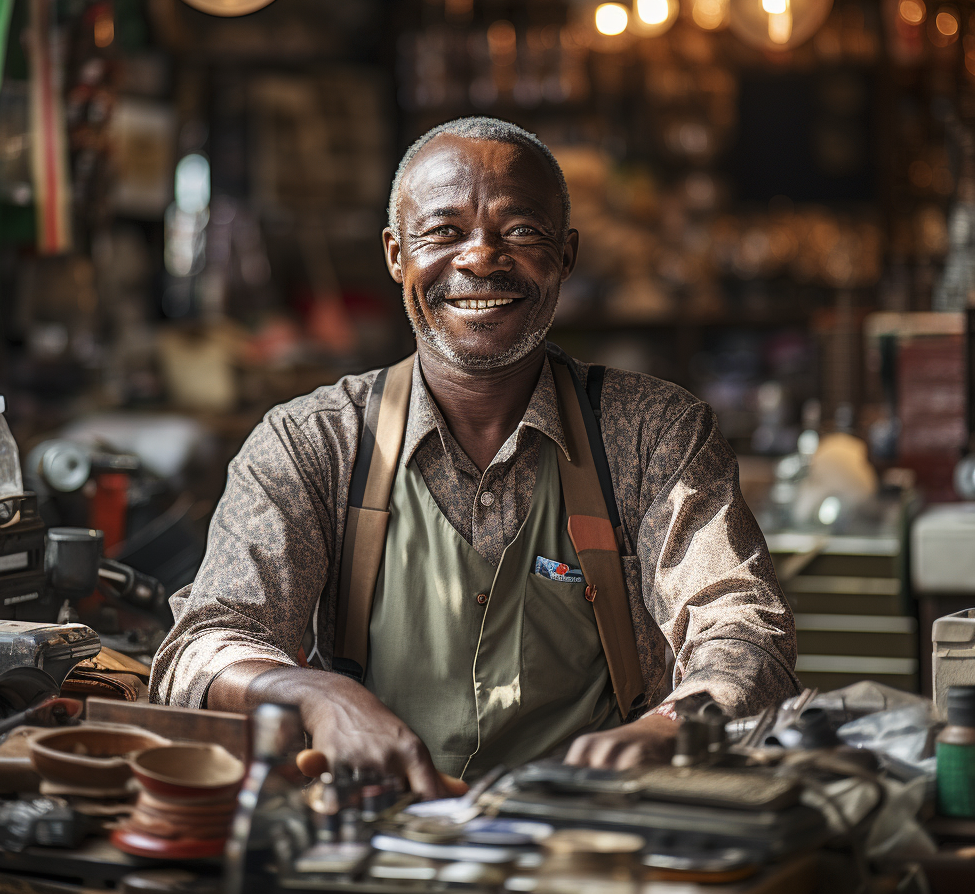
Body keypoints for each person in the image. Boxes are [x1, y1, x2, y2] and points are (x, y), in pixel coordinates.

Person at [151, 117, 799, 799]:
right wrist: (317, 695)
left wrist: (671, 725)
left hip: (595, 840)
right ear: (397, 255)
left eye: (520, 231)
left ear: (565, 256)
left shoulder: (653, 433)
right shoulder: (311, 443)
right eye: (444, 232)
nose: (482, 258)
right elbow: (205, 645)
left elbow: (745, 629)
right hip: (381, 835)